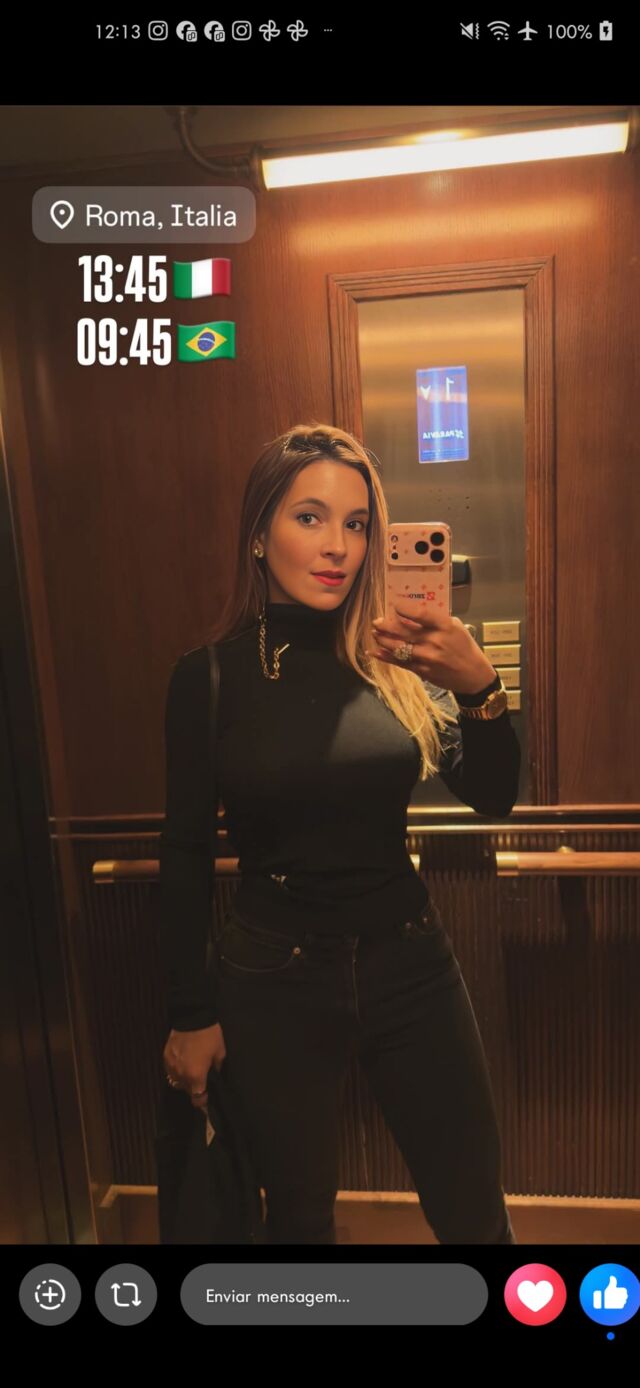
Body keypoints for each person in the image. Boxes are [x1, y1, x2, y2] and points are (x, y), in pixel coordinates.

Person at [158, 423, 519, 1245]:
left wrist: (480, 686)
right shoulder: (208, 677)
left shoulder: (397, 657)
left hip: (410, 961)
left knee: (473, 1205)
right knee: (298, 1217)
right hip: (271, 975)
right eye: (310, 518)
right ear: (259, 535)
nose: (338, 547)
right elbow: (184, 852)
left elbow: (495, 796)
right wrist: (190, 1013)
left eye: (357, 524)